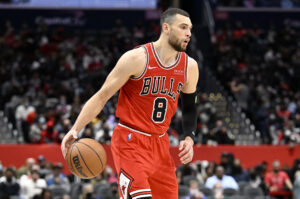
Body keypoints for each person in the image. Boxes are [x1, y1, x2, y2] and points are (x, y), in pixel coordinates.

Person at [61, 8, 199, 199]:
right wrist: (76, 128)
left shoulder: (189, 67)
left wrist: (190, 138)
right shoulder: (136, 58)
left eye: (190, 28)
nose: (188, 33)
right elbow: (102, 96)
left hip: (161, 144)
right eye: (183, 27)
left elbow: (190, 107)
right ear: (166, 28)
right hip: (130, 140)